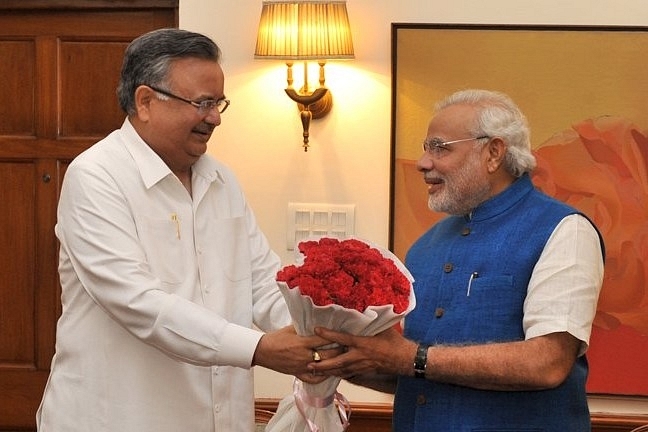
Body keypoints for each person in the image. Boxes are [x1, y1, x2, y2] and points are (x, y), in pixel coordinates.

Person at [36, 28, 334, 432]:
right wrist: (259, 348)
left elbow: (263, 282)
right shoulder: (96, 177)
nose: (215, 117)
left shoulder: (222, 180)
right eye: (202, 103)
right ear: (145, 101)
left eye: (219, 102)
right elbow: (138, 303)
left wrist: (317, 336)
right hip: (119, 417)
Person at [310, 89, 605, 431]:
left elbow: (548, 362)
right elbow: (419, 374)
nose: (423, 162)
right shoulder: (424, 247)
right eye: (425, 148)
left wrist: (411, 357)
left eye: (440, 148)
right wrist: (347, 361)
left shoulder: (565, 230)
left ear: (493, 153)